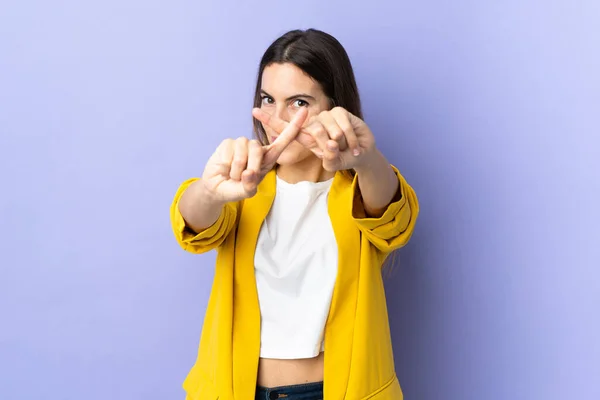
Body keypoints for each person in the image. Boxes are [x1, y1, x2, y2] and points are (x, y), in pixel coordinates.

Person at [170, 28, 419, 400]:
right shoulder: (243, 185)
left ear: (336, 109)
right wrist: (209, 190)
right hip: (239, 391)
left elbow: (393, 219)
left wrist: (365, 160)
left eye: (298, 102)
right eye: (268, 99)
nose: (277, 119)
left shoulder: (362, 190)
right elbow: (193, 226)